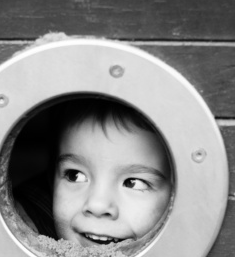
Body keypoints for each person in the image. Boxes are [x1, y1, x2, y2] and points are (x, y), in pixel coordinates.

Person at [14, 98, 172, 247]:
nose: (97, 206)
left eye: (133, 183)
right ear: (51, 180)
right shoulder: (27, 228)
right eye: (75, 175)